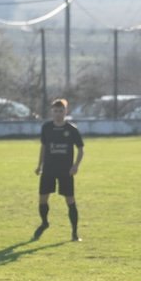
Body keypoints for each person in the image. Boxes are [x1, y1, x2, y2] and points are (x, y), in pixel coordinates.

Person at [33, 98, 84, 242]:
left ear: (65, 111)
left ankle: (74, 233)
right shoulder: (47, 127)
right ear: (52, 112)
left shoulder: (72, 130)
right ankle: (44, 222)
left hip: (65, 171)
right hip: (48, 169)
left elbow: (81, 149)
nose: (58, 114)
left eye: (61, 111)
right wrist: (39, 165)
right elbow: (43, 147)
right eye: (55, 111)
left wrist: (76, 165)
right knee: (43, 199)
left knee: (70, 200)